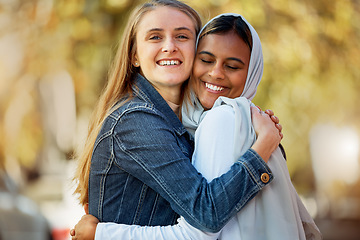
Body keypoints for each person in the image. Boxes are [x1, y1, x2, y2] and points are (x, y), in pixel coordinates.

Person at [71, 13, 322, 240]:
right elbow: (205, 217)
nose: (169, 46)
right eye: (155, 36)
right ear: (134, 55)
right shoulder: (138, 121)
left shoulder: (203, 122)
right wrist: (263, 146)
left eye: (181, 36)